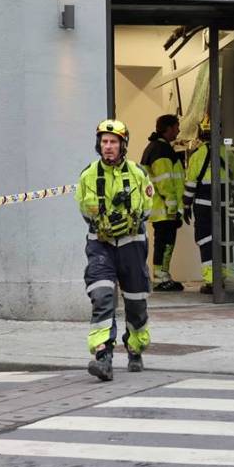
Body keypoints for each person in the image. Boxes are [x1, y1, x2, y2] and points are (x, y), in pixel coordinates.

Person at [75, 119, 154, 381]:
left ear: (123, 145)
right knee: (101, 296)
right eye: (104, 142)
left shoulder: (138, 173)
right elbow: (84, 212)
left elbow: (147, 209)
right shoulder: (88, 175)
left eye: (113, 142)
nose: (108, 146)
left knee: (136, 302)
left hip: (132, 244)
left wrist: (129, 220)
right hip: (101, 245)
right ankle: (103, 356)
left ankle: (135, 347)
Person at [183, 116, 234, 294]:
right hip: (224, 205)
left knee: (206, 240)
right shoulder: (227, 153)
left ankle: (211, 280)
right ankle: (224, 276)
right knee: (225, 239)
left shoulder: (197, 155)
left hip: (203, 206)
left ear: (201, 134)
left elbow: (190, 184)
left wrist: (186, 206)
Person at [140, 114, 185, 292]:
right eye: (176, 126)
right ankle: (161, 278)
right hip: (165, 209)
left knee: (163, 243)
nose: (178, 130)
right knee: (165, 244)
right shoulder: (161, 150)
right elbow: (164, 181)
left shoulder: (155, 148)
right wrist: (173, 207)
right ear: (168, 128)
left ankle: (162, 276)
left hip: (160, 208)